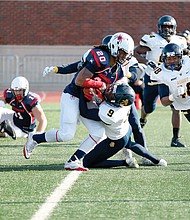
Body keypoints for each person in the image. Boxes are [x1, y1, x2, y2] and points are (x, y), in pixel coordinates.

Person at [23, 32, 134, 162]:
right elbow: (79, 81)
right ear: (114, 47)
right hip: (73, 96)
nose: (124, 56)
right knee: (66, 135)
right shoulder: (100, 58)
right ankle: (35, 138)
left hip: (89, 100)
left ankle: (74, 161)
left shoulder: (118, 70)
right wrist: (100, 84)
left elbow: (119, 86)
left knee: (99, 133)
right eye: (122, 52)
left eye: (126, 54)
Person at [76, 81, 167, 170]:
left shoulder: (107, 113)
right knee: (130, 144)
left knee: (87, 162)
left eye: (112, 94)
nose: (109, 92)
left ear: (116, 99)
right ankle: (156, 160)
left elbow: (85, 112)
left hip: (117, 140)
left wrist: (81, 93)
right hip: (126, 130)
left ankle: (125, 162)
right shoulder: (125, 104)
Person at [134, 15, 187, 147]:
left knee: (176, 105)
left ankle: (176, 138)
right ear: (159, 28)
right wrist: (148, 62)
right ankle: (142, 119)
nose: (167, 29)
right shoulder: (152, 40)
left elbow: (185, 55)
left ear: (174, 28)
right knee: (149, 107)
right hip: (153, 77)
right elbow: (136, 52)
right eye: (164, 26)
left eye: (169, 26)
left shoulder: (180, 40)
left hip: (171, 76)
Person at [150, 43, 190, 132]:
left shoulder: (188, 62)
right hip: (186, 105)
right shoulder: (161, 74)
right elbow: (164, 102)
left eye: (174, 58)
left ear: (180, 57)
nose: (172, 61)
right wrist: (174, 95)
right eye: (169, 59)